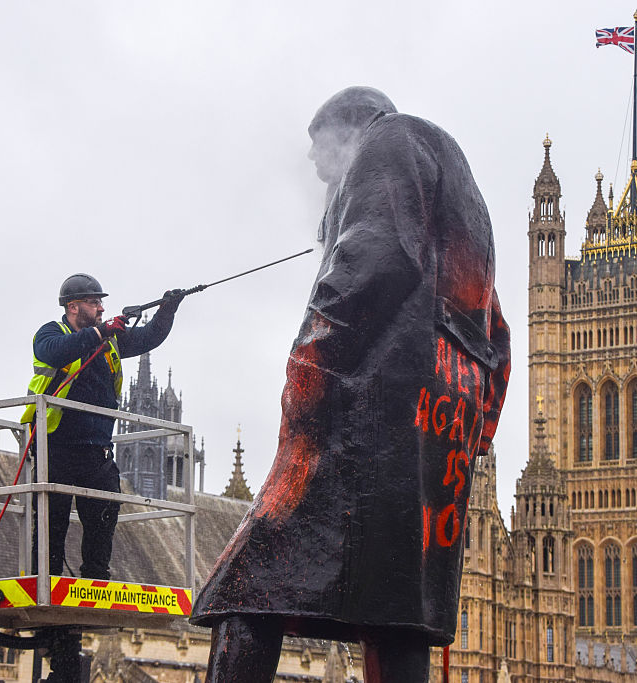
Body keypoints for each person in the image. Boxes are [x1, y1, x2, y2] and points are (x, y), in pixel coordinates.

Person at [190, 87, 511, 682]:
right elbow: (495, 327)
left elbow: (380, 257)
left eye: (320, 151)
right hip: (441, 423)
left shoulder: (388, 139)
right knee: (398, 610)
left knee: (248, 579)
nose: (317, 166)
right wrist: (480, 427)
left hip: (369, 407)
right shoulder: (464, 192)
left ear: (348, 127)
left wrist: (310, 358)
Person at [21, 273, 184, 580]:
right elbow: (54, 352)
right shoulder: (50, 333)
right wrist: (100, 332)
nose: (100, 309)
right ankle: (44, 582)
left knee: (103, 518)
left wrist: (167, 311)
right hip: (56, 447)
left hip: (96, 451)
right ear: (73, 307)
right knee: (51, 525)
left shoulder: (108, 341)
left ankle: (94, 581)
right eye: (94, 303)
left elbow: (147, 338)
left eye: (100, 303)